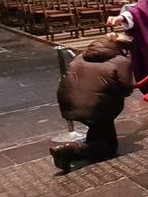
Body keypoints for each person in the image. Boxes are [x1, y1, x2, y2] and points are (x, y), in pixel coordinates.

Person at [52, 33, 135, 171]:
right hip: (96, 107)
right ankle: (68, 151)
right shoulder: (121, 61)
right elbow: (127, 89)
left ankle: (87, 143)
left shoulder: (82, 55)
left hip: (69, 102)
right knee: (109, 146)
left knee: (100, 129)